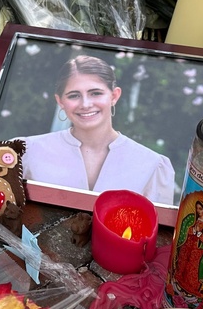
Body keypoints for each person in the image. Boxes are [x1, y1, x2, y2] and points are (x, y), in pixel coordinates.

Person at [20, 55, 175, 205]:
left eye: (96, 93)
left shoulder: (152, 166)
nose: (85, 104)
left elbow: (157, 229)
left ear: (114, 96)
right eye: (74, 95)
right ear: (60, 101)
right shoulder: (27, 152)